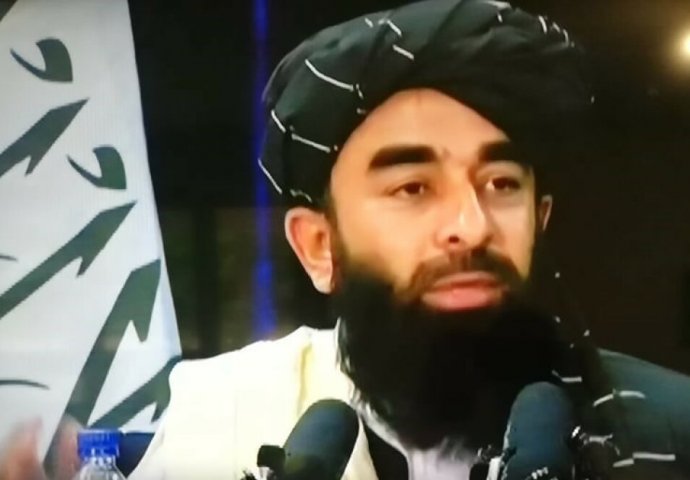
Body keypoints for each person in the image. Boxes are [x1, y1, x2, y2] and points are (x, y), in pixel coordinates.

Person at [3, 0, 690, 479]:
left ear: (540, 218)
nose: (473, 224)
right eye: (413, 187)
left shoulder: (669, 430)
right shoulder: (227, 411)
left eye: (501, 183)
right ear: (318, 247)